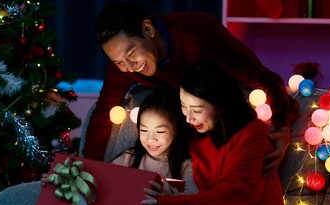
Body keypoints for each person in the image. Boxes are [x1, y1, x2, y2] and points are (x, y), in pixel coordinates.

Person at [83, 0, 299, 175]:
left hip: (226, 125)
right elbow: (103, 113)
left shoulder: (198, 35)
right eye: (118, 61)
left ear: (148, 29)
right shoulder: (123, 67)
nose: (129, 68)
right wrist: (88, 171)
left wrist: (283, 128)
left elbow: (266, 79)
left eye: (131, 54)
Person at [134, 61, 291, 205]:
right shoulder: (194, 133)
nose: (189, 118)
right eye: (184, 106)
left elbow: (236, 194)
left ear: (220, 105)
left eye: (197, 110)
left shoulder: (253, 132)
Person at [40, 88, 198, 205]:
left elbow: (193, 197)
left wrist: (171, 198)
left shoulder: (185, 166)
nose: (151, 139)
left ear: (177, 130)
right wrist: (61, 178)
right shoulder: (129, 158)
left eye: (160, 132)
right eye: (144, 131)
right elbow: (100, 179)